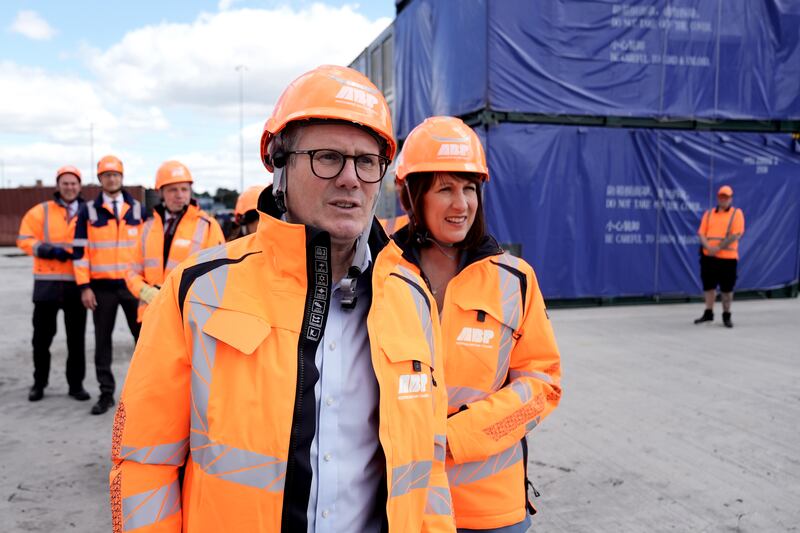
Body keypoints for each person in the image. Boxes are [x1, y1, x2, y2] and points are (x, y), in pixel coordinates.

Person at [110, 65, 455, 532]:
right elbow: (142, 461)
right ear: (280, 167)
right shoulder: (197, 291)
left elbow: (428, 468)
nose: (351, 178)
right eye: (328, 157)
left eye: (367, 161)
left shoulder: (414, 298)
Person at [392, 116, 563, 532]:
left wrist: (457, 435)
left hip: (490, 511)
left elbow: (543, 384)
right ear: (411, 196)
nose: (461, 204)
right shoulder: (378, 274)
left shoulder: (514, 279)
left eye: (469, 188)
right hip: (401, 504)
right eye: (445, 188)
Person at [72, 155, 144, 415]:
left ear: (121, 178)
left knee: (145, 340)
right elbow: (80, 252)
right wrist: (84, 287)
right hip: (101, 288)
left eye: (115, 174)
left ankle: (145, 393)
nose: (111, 179)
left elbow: (148, 249)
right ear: (100, 179)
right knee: (102, 342)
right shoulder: (87, 211)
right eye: (106, 175)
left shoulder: (138, 209)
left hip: (133, 286)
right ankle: (105, 393)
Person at [17, 166, 90, 402]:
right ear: (58, 185)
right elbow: (24, 240)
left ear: (80, 186)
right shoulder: (41, 211)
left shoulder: (88, 213)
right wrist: (48, 250)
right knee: (41, 340)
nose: (69, 187)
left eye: (74, 183)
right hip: (46, 287)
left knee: (76, 341)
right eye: (65, 183)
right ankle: (39, 383)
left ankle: (76, 385)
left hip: (76, 287)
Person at [126, 160, 224, 322]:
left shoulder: (207, 226)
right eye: (173, 190)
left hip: (187, 317)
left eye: (184, 189)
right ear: (160, 192)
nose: (180, 195)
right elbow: (131, 271)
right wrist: (144, 291)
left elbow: (218, 275)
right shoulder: (147, 228)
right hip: (151, 315)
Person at [694, 185, 745, 328]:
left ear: (731, 199)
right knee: (709, 286)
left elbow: (735, 234)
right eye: (721, 196)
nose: (723, 199)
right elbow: (701, 233)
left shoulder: (737, 214)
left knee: (727, 290)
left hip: (728, 259)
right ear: (718, 197)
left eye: (726, 197)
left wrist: (717, 248)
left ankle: (726, 315)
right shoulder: (709, 214)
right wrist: (708, 247)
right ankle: (708, 313)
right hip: (708, 257)